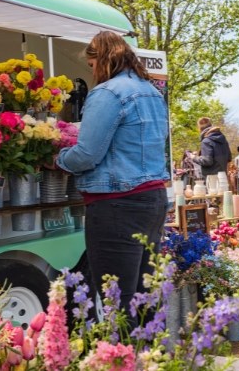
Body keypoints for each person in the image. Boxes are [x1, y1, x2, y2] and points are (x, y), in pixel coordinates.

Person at [54, 31, 170, 320]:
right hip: (152, 198)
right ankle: (150, 360)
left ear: (103, 59)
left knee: (119, 301)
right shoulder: (152, 92)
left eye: (92, 64)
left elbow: (86, 154)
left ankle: (122, 361)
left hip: (117, 203)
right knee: (145, 296)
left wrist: (57, 159)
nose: (92, 71)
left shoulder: (107, 93)